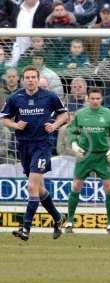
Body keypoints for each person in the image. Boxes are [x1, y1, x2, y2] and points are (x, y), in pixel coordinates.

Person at [0, 65, 68, 241]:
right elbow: (4, 118)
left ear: (38, 79)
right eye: (28, 77)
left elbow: (64, 115)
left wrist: (54, 125)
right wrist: (15, 125)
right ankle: (58, 218)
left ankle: (26, 228)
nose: (30, 80)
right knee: (39, 187)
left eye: (33, 77)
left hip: (42, 146)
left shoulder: (49, 96)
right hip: (24, 146)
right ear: (23, 80)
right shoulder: (16, 98)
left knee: (31, 186)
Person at [65, 88, 110, 234]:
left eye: (98, 98)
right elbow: (71, 131)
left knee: (109, 188)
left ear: (101, 99)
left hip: (103, 156)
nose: (95, 101)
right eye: (92, 98)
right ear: (87, 99)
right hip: (85, 155)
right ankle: (69, 221)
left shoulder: (109, 114)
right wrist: (74, 145)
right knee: (76, 186)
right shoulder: (80, 114)